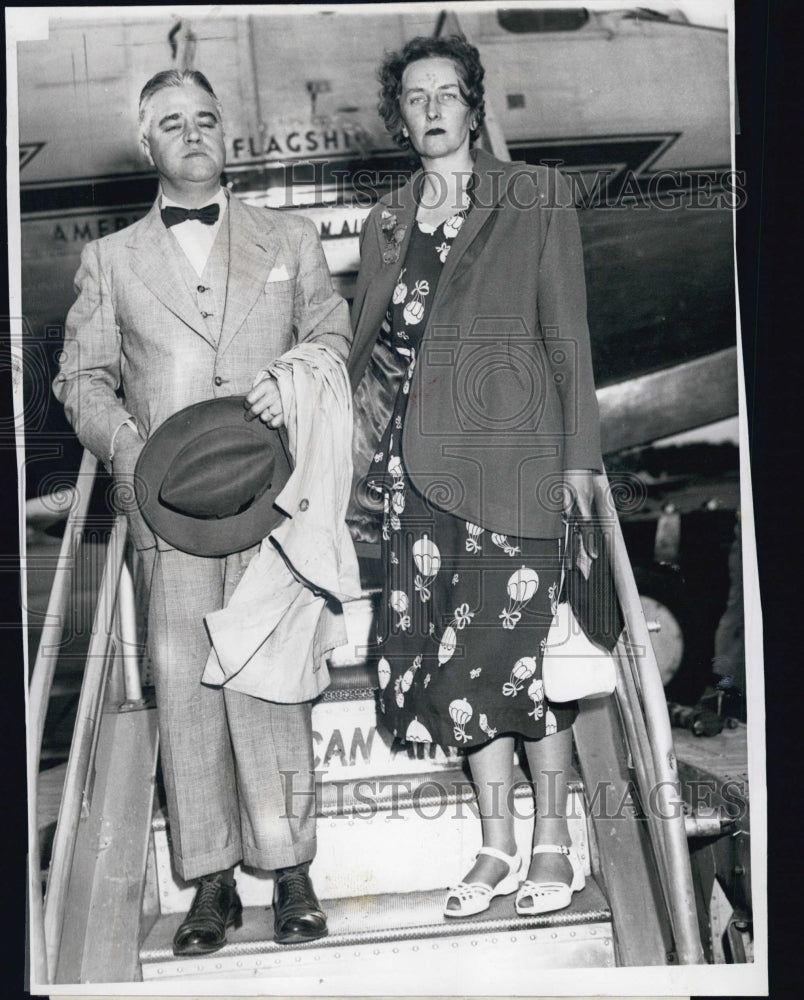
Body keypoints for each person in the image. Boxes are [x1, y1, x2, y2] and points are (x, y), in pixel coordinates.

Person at [53, 69, 352, 953]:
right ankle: (211, 881)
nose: (192, 133)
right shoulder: (110, 259)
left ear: (227, 134)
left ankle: (290, 870)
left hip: (272, 497)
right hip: (169, 510)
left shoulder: (289, 238)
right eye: (172, 122)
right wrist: (129, 448)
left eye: (207, 119)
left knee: (273, 677)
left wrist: (290, 381)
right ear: (145, 142)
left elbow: (333, 336)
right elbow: (80, 378)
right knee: (186, 689)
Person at [348, 37, 603, 918]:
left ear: (473, 105)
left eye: (446, 93)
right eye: (414, 96)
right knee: (454, 670)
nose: (431, 109)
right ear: (399, 116)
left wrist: (580, 459)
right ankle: (496, 845)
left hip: (516, 466)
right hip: (419, 479)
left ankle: (553, 843)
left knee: (522, 661)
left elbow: (567, 335)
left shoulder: (534, 194)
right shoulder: (386, 219)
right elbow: (368, 352)